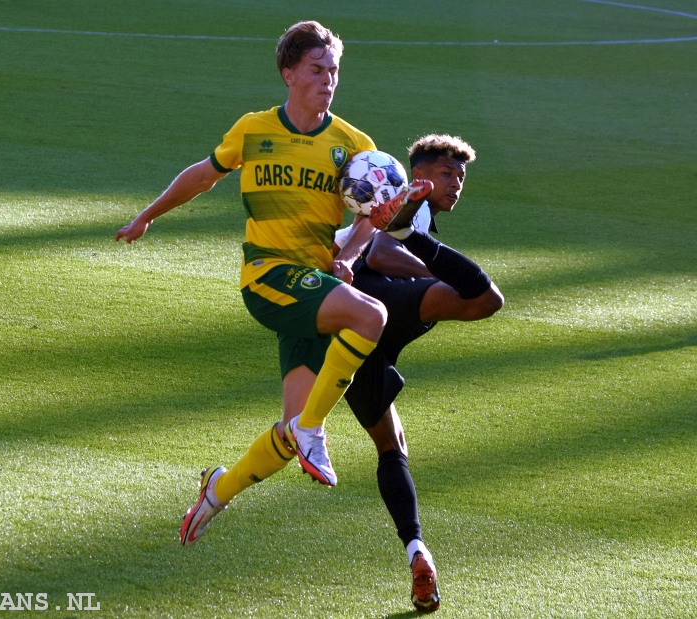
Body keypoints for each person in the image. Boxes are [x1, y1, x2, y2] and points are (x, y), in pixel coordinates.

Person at [116, 21, 430, 547]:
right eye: (316, 69)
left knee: (288, 432)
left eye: (334, 70)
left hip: (312, 285)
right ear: (288, 73)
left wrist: (351, 251)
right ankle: (314, 430)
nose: (328, 79)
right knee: (370, 316)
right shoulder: (254, 129)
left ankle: (218, 490)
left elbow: (369, 222)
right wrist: (148, 215)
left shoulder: (354, 146)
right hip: (268, 277)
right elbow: (204, 173)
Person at [333, 133, 504, 611]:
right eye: (449, 174)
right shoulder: (411, 208)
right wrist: (433, 273)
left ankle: (417, 551)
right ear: (420, 177)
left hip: (354, 328)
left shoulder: (388, 210)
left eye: (462, 177)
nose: (457, 184)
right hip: (371, 296)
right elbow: (383, 253)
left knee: (392, 447)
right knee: (484, 298)